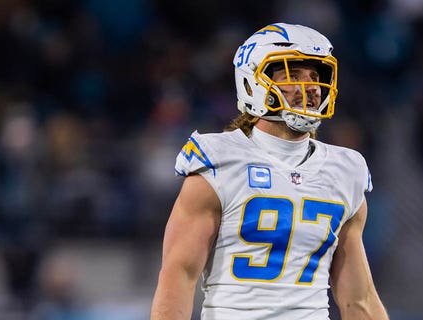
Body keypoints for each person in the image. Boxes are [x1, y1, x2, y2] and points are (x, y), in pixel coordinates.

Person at [150, 22, 388, 320]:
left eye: (316, 75)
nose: (311, 87)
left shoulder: (345, 170)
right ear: (253, 82)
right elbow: (179, 276)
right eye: (293, 73)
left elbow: (359, 298)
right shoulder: (219, 161)